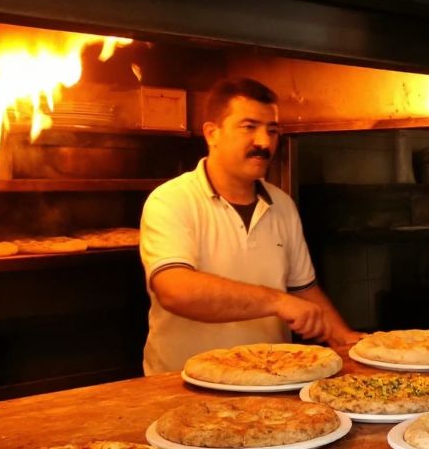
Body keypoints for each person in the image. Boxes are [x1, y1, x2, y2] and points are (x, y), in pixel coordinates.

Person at [139, 78, 361, 376]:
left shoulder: (282, 205)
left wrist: (347, 340)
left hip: (270, 380)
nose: (264, 143)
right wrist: (277, 301)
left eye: (272, 131)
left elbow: (304, 290)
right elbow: (176, 291)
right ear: (211, 133)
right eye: (249, 127)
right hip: (181, 384)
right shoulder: (171, 200)